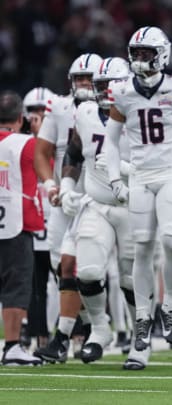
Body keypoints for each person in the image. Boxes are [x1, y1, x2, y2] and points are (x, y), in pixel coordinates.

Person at [102, 26, 172, 356]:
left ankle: (170, 307)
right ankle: (144, 317)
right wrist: (116, 179)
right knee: (142, 247)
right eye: (137, 53)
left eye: (146, 53)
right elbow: (111, 140)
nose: (140, 59)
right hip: (142, 175)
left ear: (161, 54)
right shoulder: (122, 92)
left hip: (171, 172)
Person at [60, 57, 143, 367]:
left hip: (135, 206)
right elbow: (74, 151)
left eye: (111, 86)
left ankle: (140, 335)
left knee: (132, 278)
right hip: (98, 202)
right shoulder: (84, 112)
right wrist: (67, 185)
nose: (105, 92)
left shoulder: (142, 116)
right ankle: (99, 329)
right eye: (101, 86)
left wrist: (128, 169)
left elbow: (163, 159)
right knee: (89, 271)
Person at [34, 53, 103, 363]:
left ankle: (87, 330)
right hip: (67, 197)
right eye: (80, 79)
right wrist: (52, 185)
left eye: (91, 78)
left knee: (81, 268)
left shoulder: (117, 107)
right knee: (59, 264)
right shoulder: (60, 108)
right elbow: (43, 151)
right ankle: (84, 326)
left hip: (101, 198)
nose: (85, 84)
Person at [0, 90, 44, 366]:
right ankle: (13, 345)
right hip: (16, 222)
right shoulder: (27, 144)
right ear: (21, 118)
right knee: (16, 286)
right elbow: (47, 166)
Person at [22, 87, 55, 350]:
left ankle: (77, 333)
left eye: (43, 113)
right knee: (35, 284)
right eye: (34, 112)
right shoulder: (20, 143)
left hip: (58, 215)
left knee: (68, 278)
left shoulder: (61, 140)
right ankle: (37, 334)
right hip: (32, 218)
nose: (38, 118)